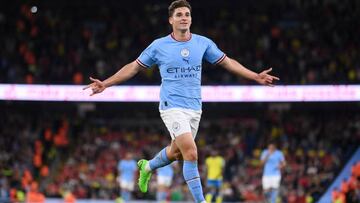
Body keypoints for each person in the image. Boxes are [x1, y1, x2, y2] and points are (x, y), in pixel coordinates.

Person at [84, 0, 279, 202]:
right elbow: (134, 67)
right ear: (171, 20)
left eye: (187, 14)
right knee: (191, 153)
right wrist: (106, 83)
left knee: (177, 153)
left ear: (191, 19)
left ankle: (147, 166)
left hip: (195, 107)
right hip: (171, 105)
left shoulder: (203, 43)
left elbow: (228, 62)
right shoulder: (159, 46)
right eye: (179, 15)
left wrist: (255, 76)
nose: (184, 17)